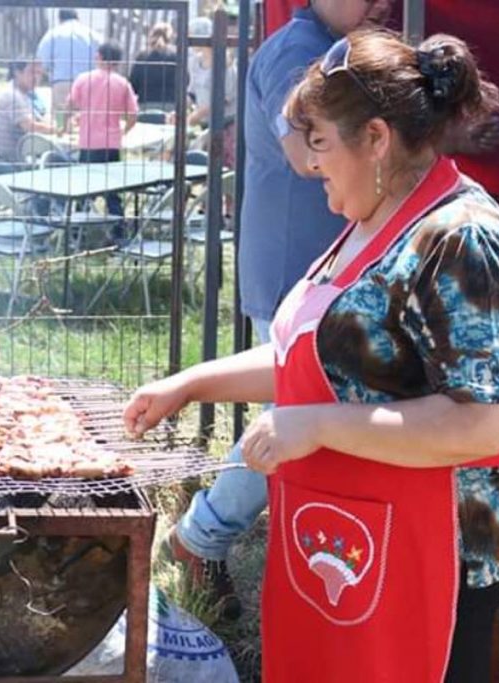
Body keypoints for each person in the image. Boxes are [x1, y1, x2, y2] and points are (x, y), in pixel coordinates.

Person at [126, 26, 499, 683]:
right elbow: (318, 362)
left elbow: (482, 422)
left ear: (375, 138)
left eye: (319, 141)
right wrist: (190, 383)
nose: (309, 162)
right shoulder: (369, 216)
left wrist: (314, 424)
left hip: (438, 547)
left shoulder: (465, 241)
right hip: (350, 537)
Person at [163, 0, 392, 621]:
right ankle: (200, 536)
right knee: (292, 418)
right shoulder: (297, 50)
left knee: (300, 416)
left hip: (318, 264)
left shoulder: (334, 45)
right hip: (297, 265)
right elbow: (301, 154)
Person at [66, 42, 139, 236]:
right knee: (112, 191)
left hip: (88, 142)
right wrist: (124, 131)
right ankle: (118, 229)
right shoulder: (122, 83)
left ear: (98, 56)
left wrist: (72, 120)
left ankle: (76, 230)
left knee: (83, 190)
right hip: (111, 143)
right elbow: (133, 114)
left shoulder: (83, 79)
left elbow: (70, 104)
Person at [187, 16, 240, 169]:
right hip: (205, 123)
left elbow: (224, 98)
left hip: (227, 125)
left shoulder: (226, 63)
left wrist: (197, 115)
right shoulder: (194, 61)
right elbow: (192, 90)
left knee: (227, 170)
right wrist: (182, 108)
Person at [0, 59, 57, 164]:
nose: (36, 77)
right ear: (17, 73)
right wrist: (58, 130)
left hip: (17, 155)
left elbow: (40, 119)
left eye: (39, 73)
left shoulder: (26, 95)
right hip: (5, 160)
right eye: (31, 72)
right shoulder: (12, 96)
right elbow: (30, 127)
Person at [36, 9, 101, 125]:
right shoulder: (92, 34)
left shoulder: (53, 34)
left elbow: (41, 62)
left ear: (60, 19)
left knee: (61, 123)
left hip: (61, 82)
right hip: (89, 83)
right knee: (86, 121)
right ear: (78, 17)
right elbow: (101, 58)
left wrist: (51, 71)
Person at [129, 22, 179, 113]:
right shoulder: (176, 56)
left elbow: (133, 83)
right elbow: (185, 81)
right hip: (170, 105)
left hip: (145, 104)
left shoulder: (142, 56)